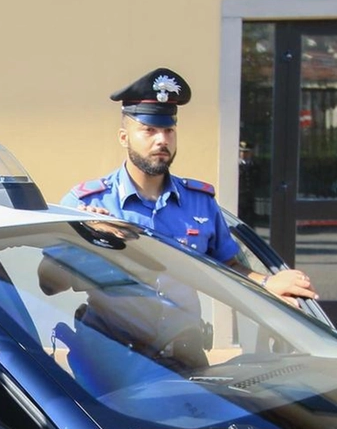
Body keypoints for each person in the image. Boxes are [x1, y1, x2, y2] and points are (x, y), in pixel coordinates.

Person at [61, 68, 316, 305]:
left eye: (169, 130)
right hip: (108, 348)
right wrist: (86, 240)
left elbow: (229, 267)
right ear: (124, 137)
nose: (162, 140)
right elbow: (50, 283)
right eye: (149, 130)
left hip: (183, 347)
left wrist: (268, 283)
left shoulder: (199, 202)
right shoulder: (89, 205)